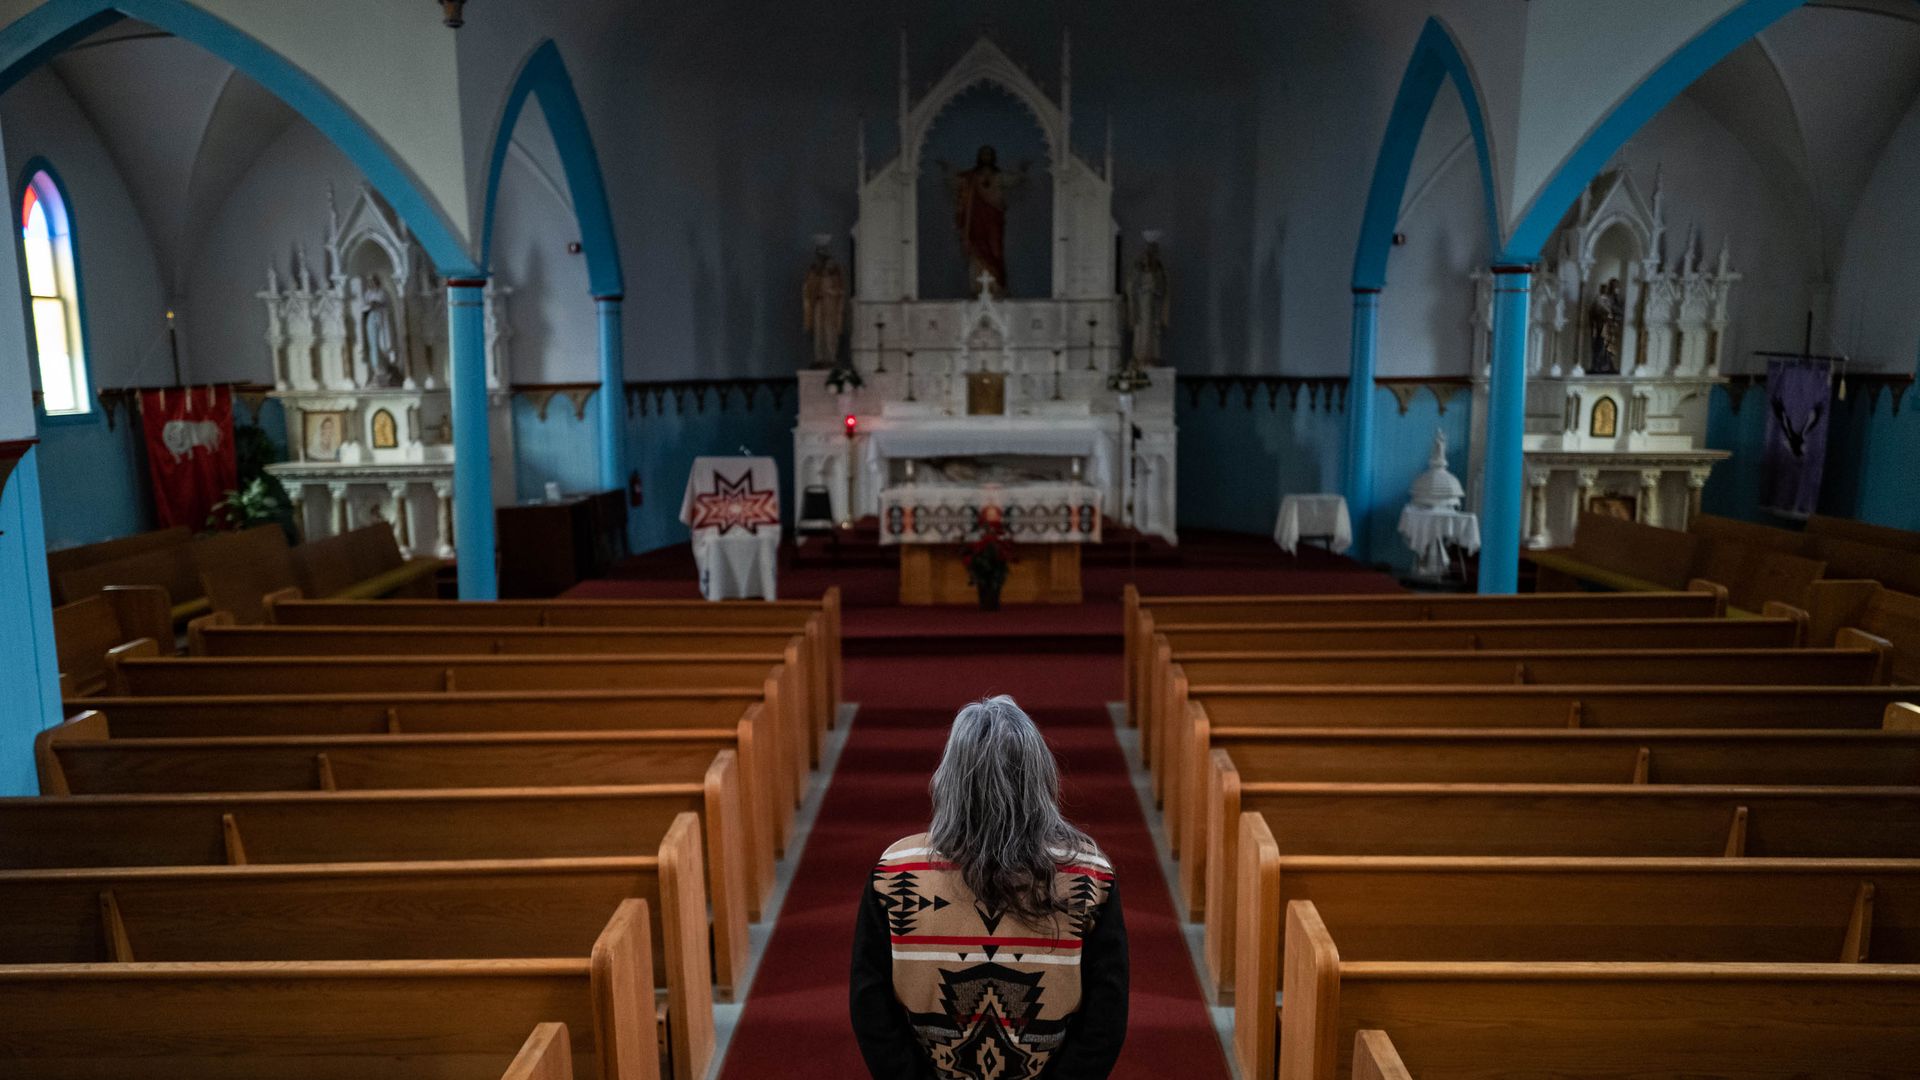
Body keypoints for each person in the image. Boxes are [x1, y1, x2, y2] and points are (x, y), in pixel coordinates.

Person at [851, 695, 1128, 1078]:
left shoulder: (896, 871)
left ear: (948, 778)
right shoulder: (1088, 876)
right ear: (1040, 776)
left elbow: (872, 1008)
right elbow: (1105, 1018)